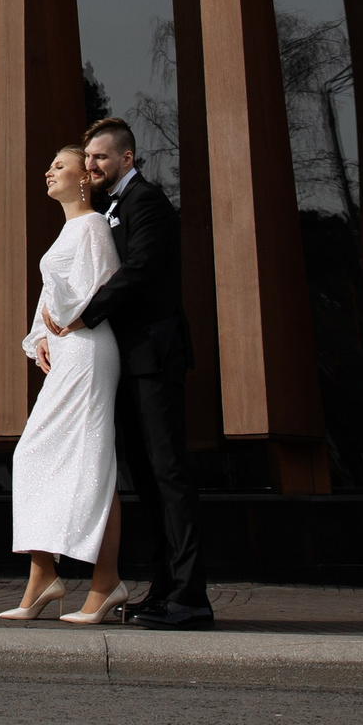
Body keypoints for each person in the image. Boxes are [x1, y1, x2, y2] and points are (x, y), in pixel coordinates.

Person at [44, 116, 211, 629]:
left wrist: (84, 314)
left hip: (155, 357)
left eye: (99, 157)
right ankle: (163, 593)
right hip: (129, 361)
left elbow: (139, 270)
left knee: (169, 476)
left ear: (126, 160)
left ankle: (190, 598)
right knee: (147, 480)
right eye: (87, 157)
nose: (90, 164)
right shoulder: (111, 208)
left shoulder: (148, 202)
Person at [0, 144, 132, 624]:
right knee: (33, 454)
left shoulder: (94, 226)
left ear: (83, 179)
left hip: (91, 350)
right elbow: (49, 300)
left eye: (59, 166)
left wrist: (65, 322)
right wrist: (39, 337)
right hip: (68, 352)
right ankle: (43, 575)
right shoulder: (68, 230)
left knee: (92, 462)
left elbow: (104, 286)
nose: (48, 172)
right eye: (49, 164)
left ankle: (106, 581)